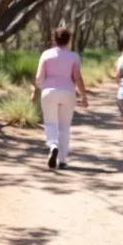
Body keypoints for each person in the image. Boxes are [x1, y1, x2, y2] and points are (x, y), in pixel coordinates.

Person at [31, 27, 89, 169]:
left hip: (49, 92)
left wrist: (35, 91)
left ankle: (53, 145)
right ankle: (62, 160)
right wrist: (83, 95)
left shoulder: (46, 55)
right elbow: (77, 78)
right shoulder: (74, 56)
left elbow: (39, 78)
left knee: (50, 124)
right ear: (69, 40)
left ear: (53, 39)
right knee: (64, 127)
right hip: (68, 93)